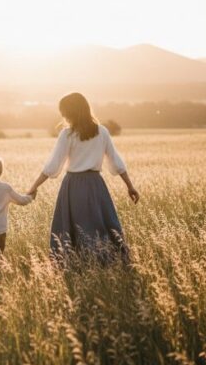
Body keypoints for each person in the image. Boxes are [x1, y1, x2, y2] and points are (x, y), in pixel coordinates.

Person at [27, 92, 140, 264]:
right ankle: (107, 262)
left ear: (71, 112)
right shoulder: (102, 132)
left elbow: (52, 166)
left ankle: (74, 263)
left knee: (74, 226)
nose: (62, 115)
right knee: (100, 225)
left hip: (73, 186)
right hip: (96, 186)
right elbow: (116, 162)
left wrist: (33, 187)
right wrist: (130, 187)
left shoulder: (67, 134)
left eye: (64, 111)